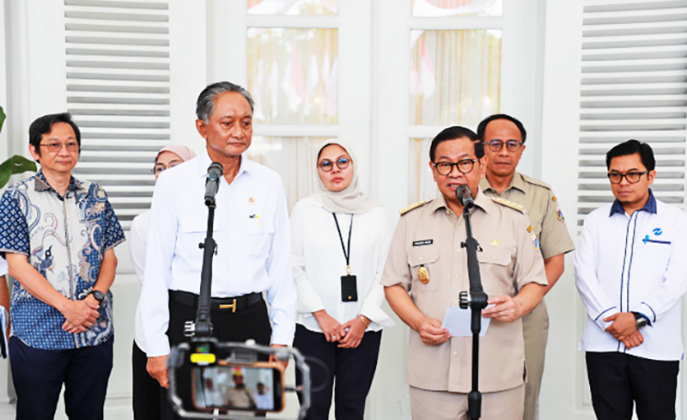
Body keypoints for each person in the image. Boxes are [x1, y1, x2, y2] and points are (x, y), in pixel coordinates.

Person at [139, 81, 297, 419]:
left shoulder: (269, 183)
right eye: (228, 123)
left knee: (242, 415)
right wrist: (156, 345)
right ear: (202, 127)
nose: (239, 132)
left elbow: (281, 266)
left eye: (246, 122)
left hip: (249, 323)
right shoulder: (174, 183)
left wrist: (282, 340)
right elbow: (156, 269)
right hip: (189, 319)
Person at [382, 126, 548, 420]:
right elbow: (393, 284)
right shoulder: (411, 221)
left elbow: (535, 281)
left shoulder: (513, 219)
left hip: (497, 374)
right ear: (433, 170)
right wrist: (419, 322)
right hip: (433, 376)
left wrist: (517, 306)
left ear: (482, 165)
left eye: (464, 163)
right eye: (445, 165)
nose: (455, 173)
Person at [0, 112, 125, 420]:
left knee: (89, 414)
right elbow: (17, 266)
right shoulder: (15, 197)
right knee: (35, 414)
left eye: (71, 144)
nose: (64, 151)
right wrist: (68, 307)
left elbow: (109, 257)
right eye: (53, 144)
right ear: (35, 151)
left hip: (94, 329)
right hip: (37, 332)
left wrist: (94, 299)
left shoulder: (96, 194)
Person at [575, 139, 687, 420]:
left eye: (633, 174)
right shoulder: (595, 220)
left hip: (656, 346)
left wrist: (638, 318)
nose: (623, 182)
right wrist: (614, 322)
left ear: (651, 175)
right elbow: (584, 274)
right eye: (615, 175)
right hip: (603, 345)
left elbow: (677, 278)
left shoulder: (676, 221)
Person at [477, 114, 575, 420]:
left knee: (524, 398)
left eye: (512, 145)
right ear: (481, 148)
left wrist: (523, 302)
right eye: (495, 144)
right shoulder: (463, 191)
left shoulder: (540, 194)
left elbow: (555, 260)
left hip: (526, 317)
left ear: (522, 150)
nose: (504, 152)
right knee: (468, 394)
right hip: (474, 311)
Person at [291, 141, 395, 419]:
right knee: (312, 409)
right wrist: (321, 314)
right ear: (317, 171)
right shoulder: (304, 210)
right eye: (326, 164)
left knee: (352, 408)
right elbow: (293, 267)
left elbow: (385, 272)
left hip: (362, 330)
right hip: (313, 327)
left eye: (342, 162)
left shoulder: (375, 213)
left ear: (353, 165)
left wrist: (363, 320)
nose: (335, 170)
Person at [129, 145, 196, 420]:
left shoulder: (208, 218)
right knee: (148, 408)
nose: (166, 173)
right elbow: (147, 277)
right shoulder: (143, 223)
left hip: (192, 326)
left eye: (175, 165)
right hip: (150, 330)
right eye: (160, 168)